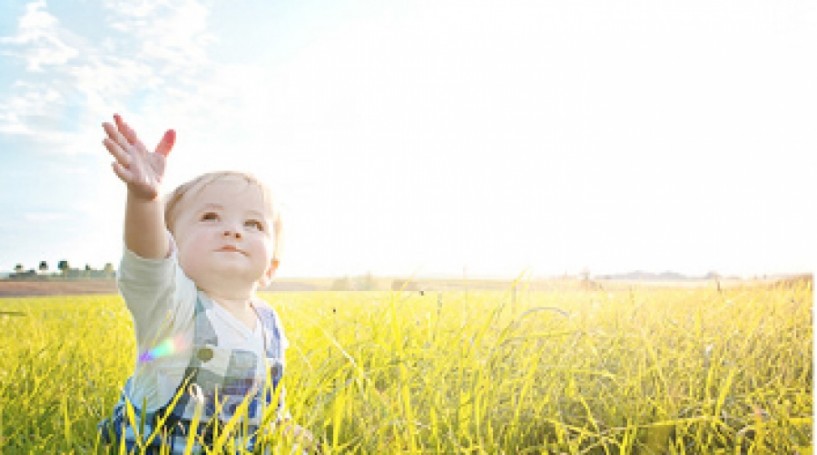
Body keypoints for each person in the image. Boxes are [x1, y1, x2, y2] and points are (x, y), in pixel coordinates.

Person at [97, 113, 314, 453]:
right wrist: (145, 201)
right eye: (210, 217)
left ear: (270, 268)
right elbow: (148, 261)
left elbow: (268, 398)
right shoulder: (174, 306)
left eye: (254, 224)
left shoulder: (269, 323)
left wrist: (285, 426)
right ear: (172, 245)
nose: (234, 230)